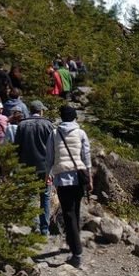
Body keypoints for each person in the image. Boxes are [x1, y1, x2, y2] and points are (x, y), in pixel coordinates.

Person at [46, 103, 92, 267]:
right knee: (75, 211)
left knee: (68, 214)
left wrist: (47, 174)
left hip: (62, 178)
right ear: (74, 117)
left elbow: (50, 157)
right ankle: (75, 244)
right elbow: (86, 157)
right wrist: (90, 179)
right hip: (79, 177)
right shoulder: (81, 133)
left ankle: (76, 252)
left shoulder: (54, 133)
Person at [13, 100, 55, 236]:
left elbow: (16, 147)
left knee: (31, 197)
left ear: (30, 110)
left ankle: (35, 225)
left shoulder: (22, 125)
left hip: (27, 167)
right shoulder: (48, 124)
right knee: (45, 196)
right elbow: (53, 148)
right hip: (45, 167)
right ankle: (44, 228)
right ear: (41, 110)